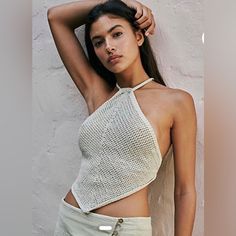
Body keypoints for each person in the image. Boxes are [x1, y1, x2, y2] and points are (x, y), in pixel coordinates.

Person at [47, 0, 197, 235]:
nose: (108, 46)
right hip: (70, 221)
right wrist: (123, 2)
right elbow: (56, 18)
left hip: (122, 230)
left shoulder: (176, 102)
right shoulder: (96, 93)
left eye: (117, 34)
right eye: (98, 42)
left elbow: (185, 190)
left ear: (139, 36)